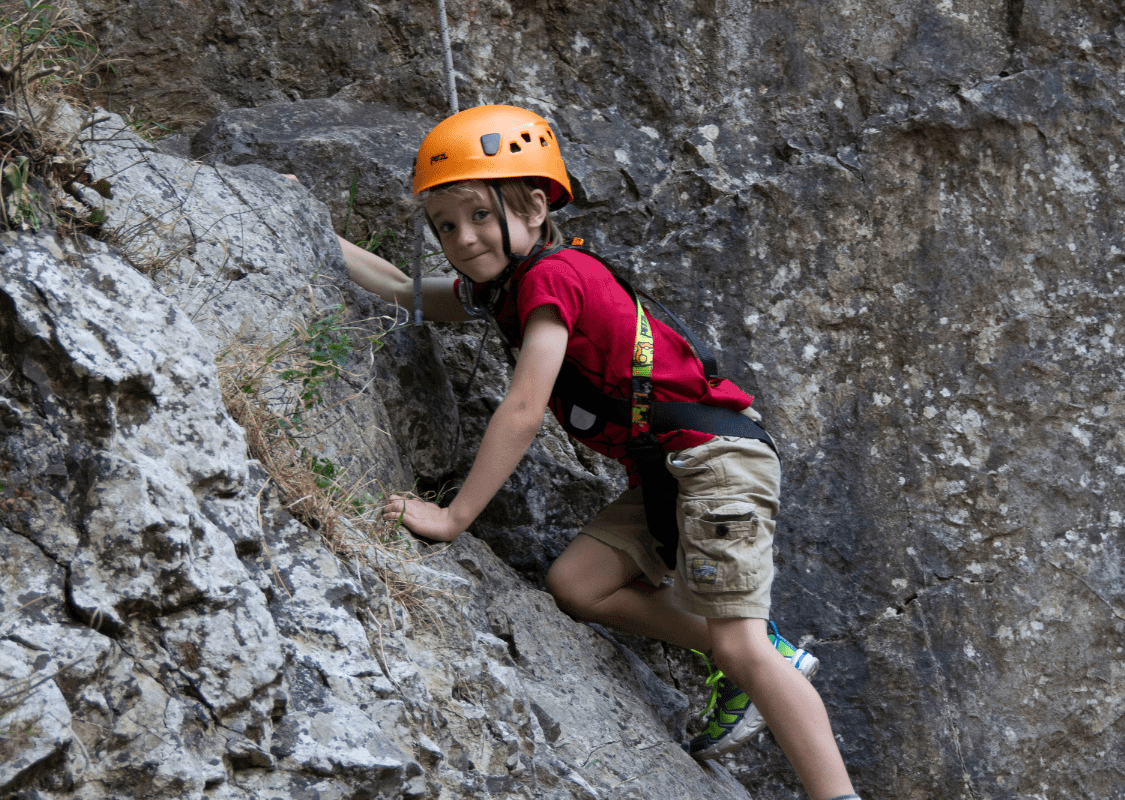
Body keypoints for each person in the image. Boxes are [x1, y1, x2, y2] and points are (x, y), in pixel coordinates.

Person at [346, 104, 859, 800]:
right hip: (668, 472)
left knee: (746, 648)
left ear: (532, 206)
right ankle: (745, 650)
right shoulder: (510, 286)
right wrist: (304, 227)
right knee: (580, 585)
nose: (462, 239)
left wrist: (452, 518)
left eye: (477, 214)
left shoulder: (552, 280)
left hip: (713, 461)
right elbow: (411, 293)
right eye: (445, 226)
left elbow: (524, 408)